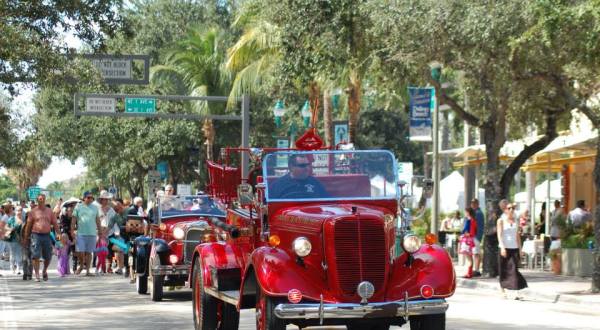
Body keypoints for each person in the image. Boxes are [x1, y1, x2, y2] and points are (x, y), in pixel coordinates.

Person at [21, 194, 60, 282]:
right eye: (39, 199)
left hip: (47, 235)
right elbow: (28, 226)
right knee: (36, 255)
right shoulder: (33, 212)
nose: (41, 200)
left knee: (48, 256)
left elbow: (56, 226)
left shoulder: (50, 211)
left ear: (45, 200)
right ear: (37, 200)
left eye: (43, 199)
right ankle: (37, 274)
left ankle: (44, 270)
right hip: (36, 235)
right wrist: (26, 238)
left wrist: (59, 239)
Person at [497, 202, 528, 298]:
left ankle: (516, 292)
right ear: (505, 210)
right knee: (503, 270)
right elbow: (499, 234)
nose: (511, 210)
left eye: (513, 208)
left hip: (514, 247)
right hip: (505, 248)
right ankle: (502, 289)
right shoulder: (501, 220)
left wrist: (520, 249)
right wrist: (502, 247)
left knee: (514, 270)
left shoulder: (516, 221)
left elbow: (517, 236)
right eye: (509, 208)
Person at [71, 191, 102, 276]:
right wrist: (72, 230)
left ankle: (88, 270)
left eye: (91, 198)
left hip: (92, 233)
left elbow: (98, 220)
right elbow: (74, 219)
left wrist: (100, 231)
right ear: (84, 198)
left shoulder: (95, 207)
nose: (90, 199)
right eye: (88, 197)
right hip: (81, 233)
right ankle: (81, 266)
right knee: (80, 251)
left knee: (89, 252)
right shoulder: (78, 206)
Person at [459, 207, 478, 278]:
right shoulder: (473, 220)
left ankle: (469, 273)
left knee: (469, 258)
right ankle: (469, 273)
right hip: (470, 240)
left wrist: (464, 234)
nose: (465, 213)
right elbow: (474, 231)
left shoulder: (469, 220)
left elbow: (467, 231)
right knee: (469, 257)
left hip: (467, 240)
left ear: (468, 212)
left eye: (465, 212)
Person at [5, 204, 23, 274]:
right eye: (18, 210)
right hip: (12, 239)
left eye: (21, 210)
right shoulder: (11, 219)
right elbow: (6, 227)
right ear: (15, 211)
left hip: (20, 240)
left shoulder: (23, 219)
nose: (19, 212)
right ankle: (12, 267)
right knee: (12, 254)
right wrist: (11, 229)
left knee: (19, 254)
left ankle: (18, 268)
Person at [470, 198, 485, 277]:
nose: (473, 204)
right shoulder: (474, 212)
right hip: (473, 236)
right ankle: (474, 269)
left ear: (477, 204)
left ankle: (477, 269)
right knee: (474, 253)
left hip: (476, 236)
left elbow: (479, 226)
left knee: (476, 253)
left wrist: (478, 237)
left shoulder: (478, 213)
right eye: (472, 203)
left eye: (474, 203)